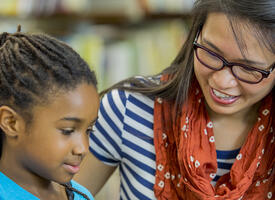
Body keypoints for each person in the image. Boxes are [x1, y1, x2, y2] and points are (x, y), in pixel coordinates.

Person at [75, 0, 275, 199]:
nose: (221, 81)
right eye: (211, 52)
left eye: (248, 69)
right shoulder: (127, 108)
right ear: (194, 35)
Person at [0, 26, 100, 200]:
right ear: (11, 123)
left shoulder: (82, 196)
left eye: (89, 130)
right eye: (68, 131)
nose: (83, 148)